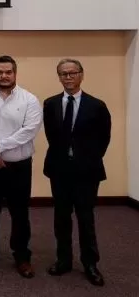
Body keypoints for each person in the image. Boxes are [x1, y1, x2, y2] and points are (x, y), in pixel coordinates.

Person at [0, 55, 43, 278]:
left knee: (20, 213)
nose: (4, 76)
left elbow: (29, 130)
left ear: (15, 73)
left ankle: (22, 256)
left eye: (8, 72)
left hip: (19, 166)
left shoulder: (29, 99)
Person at [43, 59, 111, 287]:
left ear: (81, 75)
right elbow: (51, 136)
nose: (68, 77)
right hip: (59, 170)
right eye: (63, 74)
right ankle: (63, 260)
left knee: (85, 218)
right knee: (61, 217)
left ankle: (90, 263)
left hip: (86, 172)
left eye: (72, 73)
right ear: (59, 77)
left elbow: (104, 138)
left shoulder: (97, 105)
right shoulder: (50, 104)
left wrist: (86, 159)